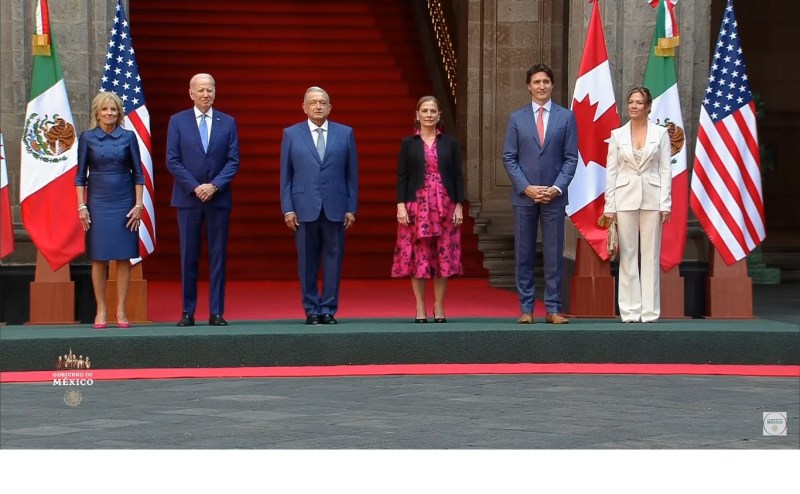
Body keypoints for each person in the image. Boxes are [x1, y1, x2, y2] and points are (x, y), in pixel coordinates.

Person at [502, 63, 578, 325]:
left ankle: (553, 308)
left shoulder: (565, 117)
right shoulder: (516, 118)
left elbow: (570, 158)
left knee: (554, 253)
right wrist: (527, 187)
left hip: (554, 197)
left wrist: (556, 188)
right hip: (525, 196)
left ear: (552, 85)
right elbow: (509, 158)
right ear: (528, 86)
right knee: (524, 253)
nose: (541, 86)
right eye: (536, 82)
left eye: (546, 81)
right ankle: (526, 308)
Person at [280, 86, 358, 325]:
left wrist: (350, 207)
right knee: (306, 260)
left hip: (335, 205)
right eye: (313, 103)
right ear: (304, 107)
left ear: (330, 107)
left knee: (333, 259)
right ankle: (311, 309)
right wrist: (288, 208)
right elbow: (286, 175)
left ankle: (328, 308)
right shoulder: (291, 134)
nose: (318, 106)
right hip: (304, 207)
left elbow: (351, 175)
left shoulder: (344, 133)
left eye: (323, 102)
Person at [166, 73, 240, 327]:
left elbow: (233, 161)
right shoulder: (178, 121)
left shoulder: (227, 122)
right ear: (191, 93)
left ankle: (216, 312)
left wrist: (215, 186)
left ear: (215, 92)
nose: (206, 94)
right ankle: (188, 311)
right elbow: (172, 160)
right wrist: (196, 187)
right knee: (189, 256)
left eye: (210, 90)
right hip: (188, 199)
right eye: (201, 90)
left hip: (218, 199)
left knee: (218, 256)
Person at [391, 96, 464, 323]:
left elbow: (457, 175)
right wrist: (401, 205)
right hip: (417, 205)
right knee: (418, 257)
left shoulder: (450, 143)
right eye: (425, 110)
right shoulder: (408, 143)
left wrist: (459, 205)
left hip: (444, 204)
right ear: (417, 115)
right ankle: (420, 306)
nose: (429, 114)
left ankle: (439, 306)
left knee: (442, 256)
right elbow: (402, 176)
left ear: (439, 115)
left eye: (433, 110)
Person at [76, 91, 144, 330]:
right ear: (97, 112)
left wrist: (138, 204)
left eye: (113, 110)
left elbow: (138, 174)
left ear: (119, 113)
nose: (109, 114)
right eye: (105, 110)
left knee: (124, 256)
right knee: (99, 257)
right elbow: (79, 177)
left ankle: (121, 309)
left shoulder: (128, 137)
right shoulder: (87, 138)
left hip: (125, 201)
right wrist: (81, 205)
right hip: (97, 202)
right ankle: (101, 309)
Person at [603, 87, 672, 323]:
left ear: (648, 107)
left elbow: (665, 170)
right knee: (628, 255)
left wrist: (666, 203)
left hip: (653, 198)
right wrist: (609, 206)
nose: (633, 106)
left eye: (639, 103)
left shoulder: (661, 134)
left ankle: (650, 312)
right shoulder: (617, 135)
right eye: (631, 102)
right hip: (624, 198)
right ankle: (630, 311)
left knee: (651, 255)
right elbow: (611, 172)